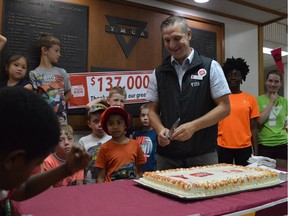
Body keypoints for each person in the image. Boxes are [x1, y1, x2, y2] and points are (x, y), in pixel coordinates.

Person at [146, 15, 230, 170]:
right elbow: (152, 111)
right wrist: (160, 130)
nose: (172, 45)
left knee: (206, 194)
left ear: (189, 34)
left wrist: (194, 126)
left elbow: (224, 107)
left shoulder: (211, 66)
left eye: (177, 38)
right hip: (167, 156)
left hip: (203, 154)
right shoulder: (158, 73)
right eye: (167, 40)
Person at [0, 87, 89, 215]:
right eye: (37, 163)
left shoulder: (5, 177)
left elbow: (23, 189)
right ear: (13, 160)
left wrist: (66, 169)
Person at [217, 57, 260, 166]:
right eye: (230, 75)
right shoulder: (219, 99)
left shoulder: (251, 99)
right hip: (222, 146)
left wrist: (256, 152)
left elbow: (254, 128)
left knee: (244, 179)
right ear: (225, 77)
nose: (233, 77)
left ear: (242, 78)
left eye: (237, 75)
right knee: (224, 179)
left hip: (244, 147)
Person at [95, 106, 146, 183]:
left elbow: (140, 171)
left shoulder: (136, 145)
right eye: (111, 124)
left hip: (133, 189)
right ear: (106, 127)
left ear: (125, 125)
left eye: (119, 123)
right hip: (111, 190)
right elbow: (101, 177)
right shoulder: (104, 148)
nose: (115, 127)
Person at [29, 34, 71, 125]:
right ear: (44, 50)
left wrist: (61, 105)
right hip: (43, 120)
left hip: (61, 121)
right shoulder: (34, 74)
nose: (59, 54)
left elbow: (69, 93)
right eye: (56, 51)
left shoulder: (62, 72)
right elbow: (35, 98)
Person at [257, 70, 287, 168]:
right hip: (265, 143)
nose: (273, 84)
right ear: (266, 82)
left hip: (282, 143)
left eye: (276, 81)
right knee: (266, 176)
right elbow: (259, 121)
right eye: (270, 81)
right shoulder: (258, 100)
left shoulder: (285, 102)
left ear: (281, 84)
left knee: (282, 174)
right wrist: (272, 102)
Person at [79, 103, 111, 184]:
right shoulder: (83, 141)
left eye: (102, 120)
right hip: (89, 184)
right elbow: (79, 168)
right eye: (96, 121)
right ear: (89, 124)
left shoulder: (112, 139)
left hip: (109, 182)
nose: (100, 125)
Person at [132, 103, 157, 171]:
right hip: (138, 171)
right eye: (143, 115)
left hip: (152, 171)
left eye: (148, 115)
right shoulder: (136, 134)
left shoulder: (156, 133)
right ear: (139, 117)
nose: (145, 118)